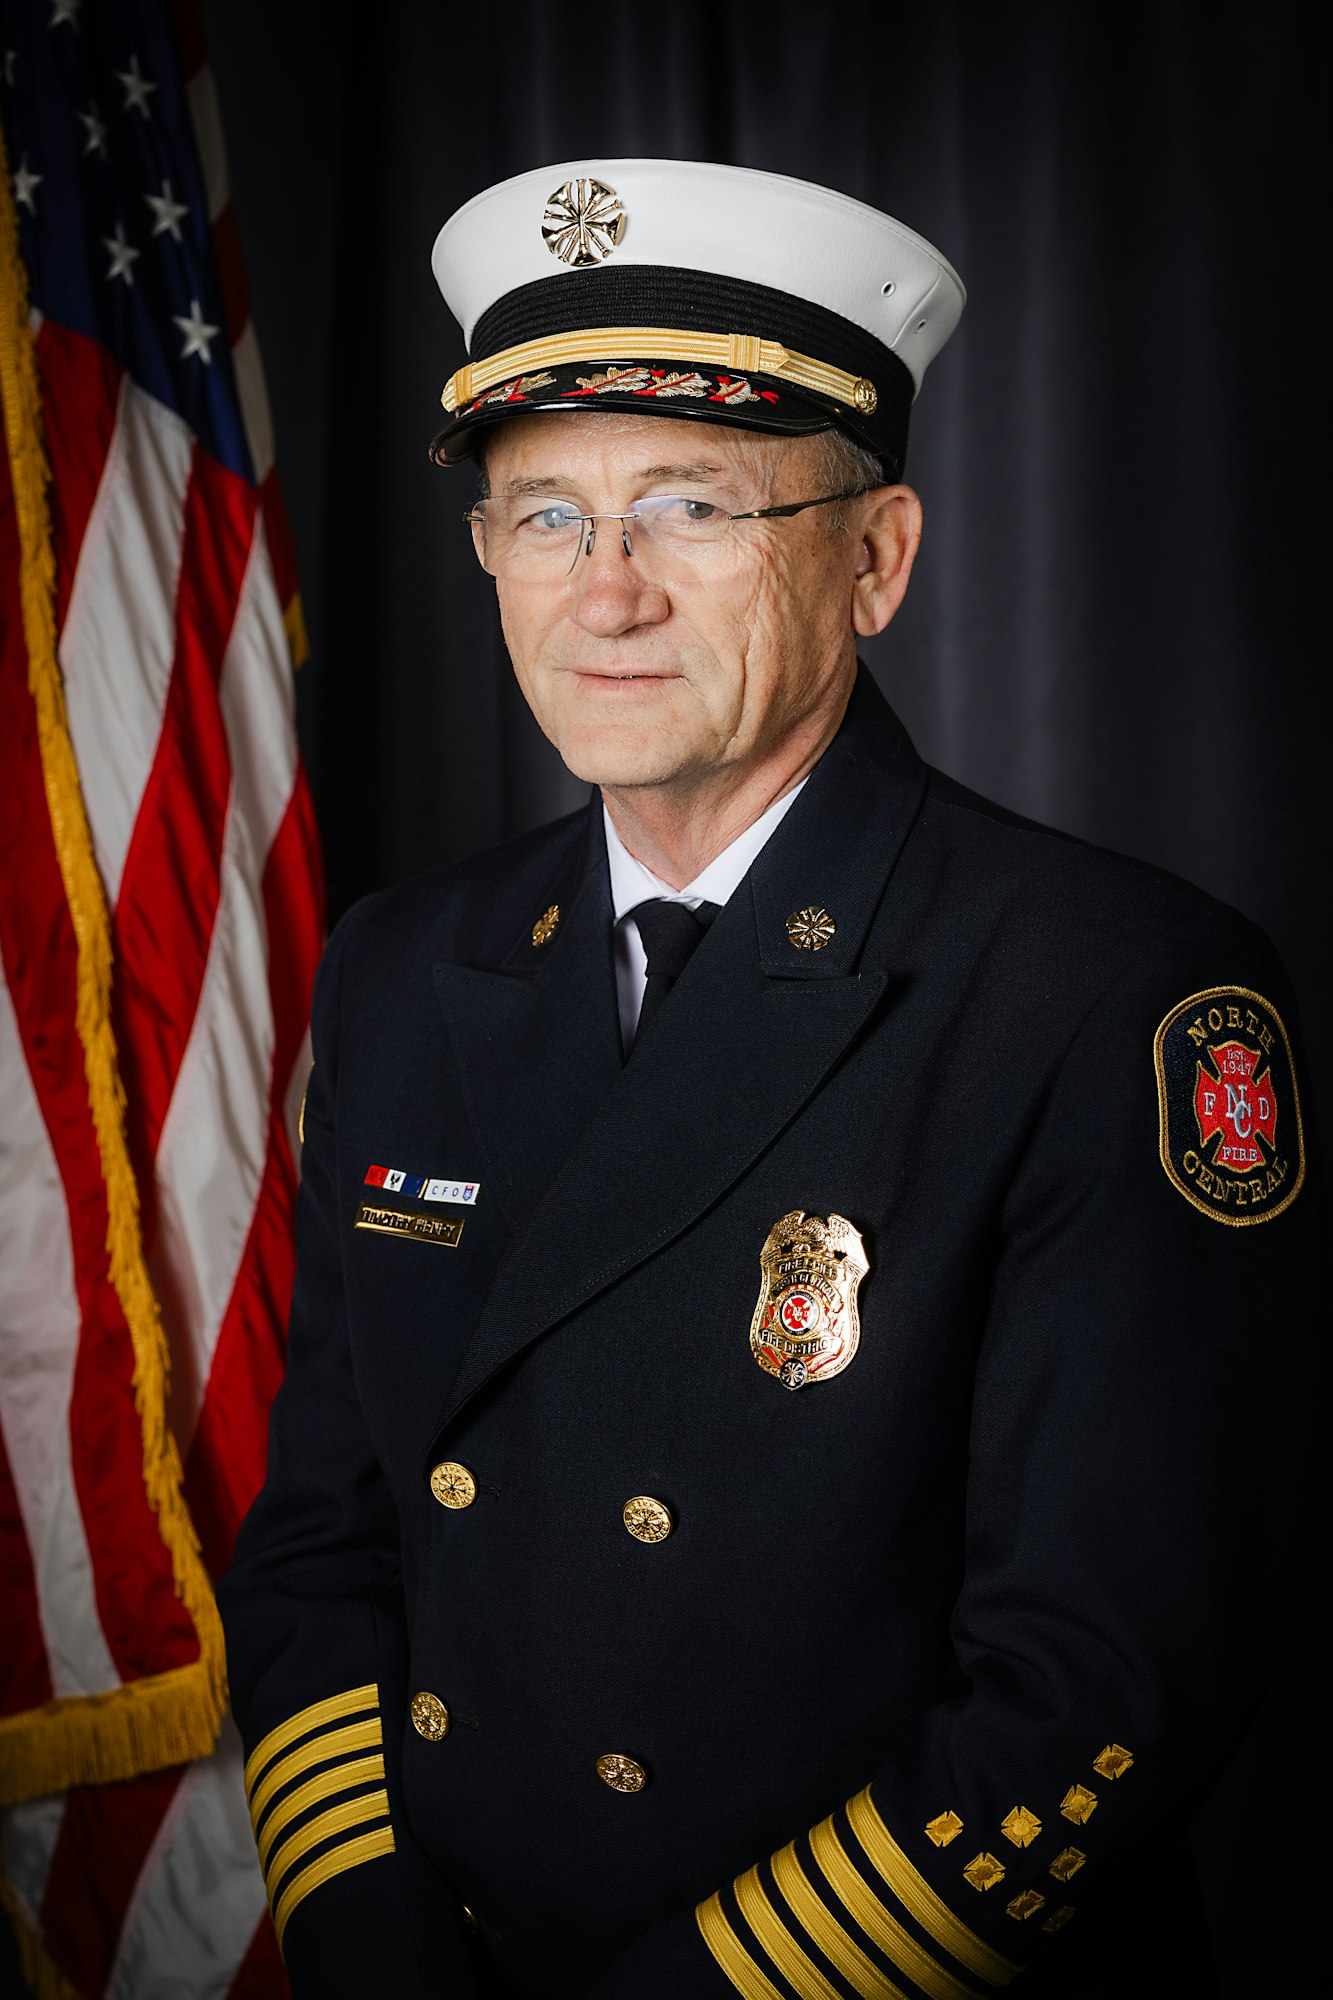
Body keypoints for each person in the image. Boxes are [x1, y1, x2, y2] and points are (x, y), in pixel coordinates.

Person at [218, 160, 1320, 1999]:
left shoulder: (1113, 993)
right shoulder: (410, 963)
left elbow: (1097, 1689)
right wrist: (373, 1942)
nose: (608, 592)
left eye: (689, 506)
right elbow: (328, 1539)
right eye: (542, 517)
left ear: (872, 557)